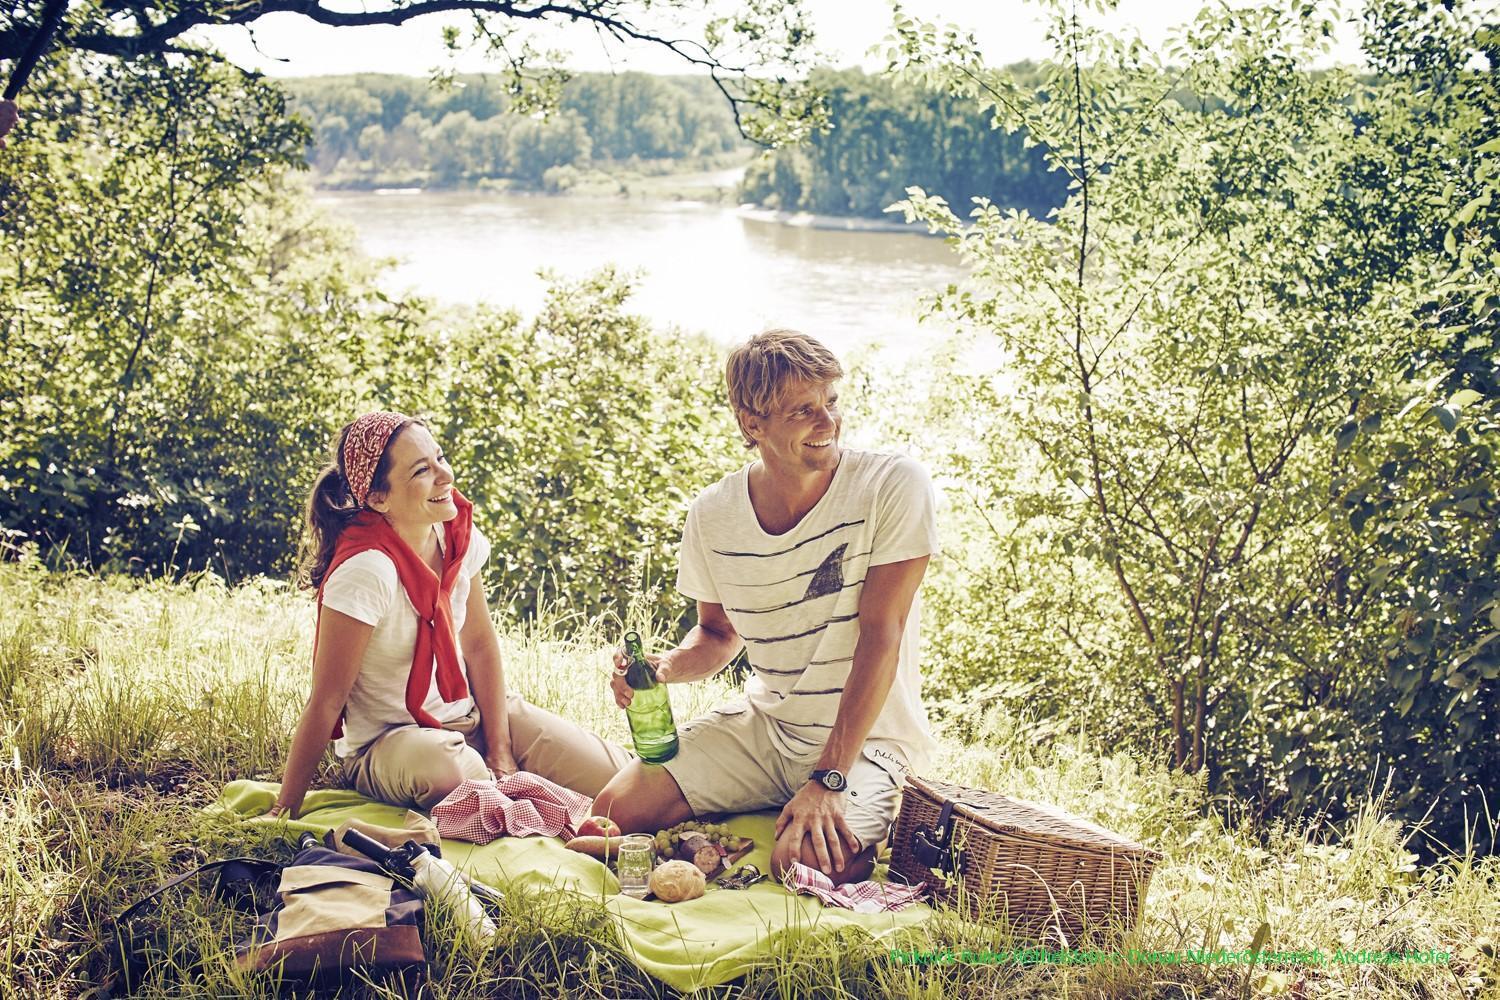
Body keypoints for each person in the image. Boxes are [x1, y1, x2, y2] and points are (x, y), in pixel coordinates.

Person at [592, 330, 939, 885]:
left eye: (831, 402)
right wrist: (665, 668)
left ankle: (854, 814)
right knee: (612, 815)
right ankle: (748, 811)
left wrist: (829, 778)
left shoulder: (893, 485)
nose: (827, 422)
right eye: (804, 410)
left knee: (801, 867)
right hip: (766, 728)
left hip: (866, 742)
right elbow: (717, 634)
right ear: (753, 424)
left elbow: (883, 634)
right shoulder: (714, 514)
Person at [269, 411, 630, 818]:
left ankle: (511, 787)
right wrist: (285, 807)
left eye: (439, 457)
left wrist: (501, 749)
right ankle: (520, 803)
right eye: (422, 470)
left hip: (469, 716)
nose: (446, 476)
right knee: (457, 773)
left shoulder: (456, 536)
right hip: (394, 745)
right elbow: (327, 698)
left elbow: (478, 646)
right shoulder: (365, 571)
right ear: (376, 497)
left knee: (621, 779)